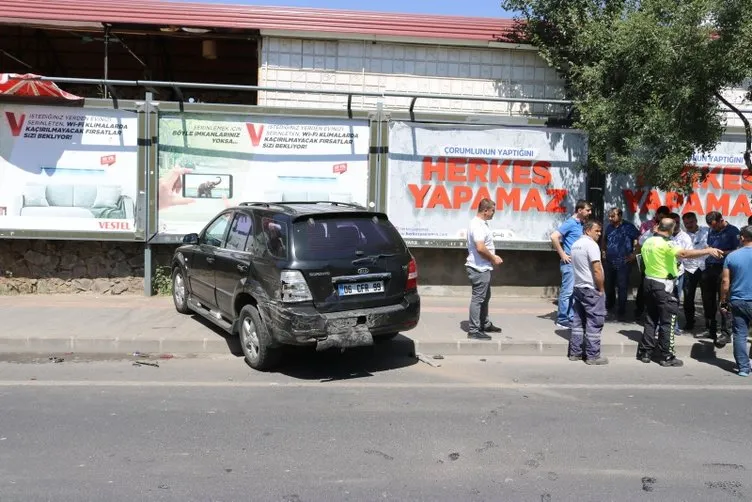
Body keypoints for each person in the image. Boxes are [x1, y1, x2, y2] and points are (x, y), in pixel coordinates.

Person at [636, 218, 723, 367]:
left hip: (649, 282)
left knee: (651, 318)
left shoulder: (648, 241)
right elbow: (684, 254)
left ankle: (645, 352)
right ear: (671, 229)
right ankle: (667, 356)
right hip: (663, 285)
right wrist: (707, 250)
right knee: (667, 321)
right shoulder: (667, 244)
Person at [568, 220, 609, 365]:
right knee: (595, 322)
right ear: (587, 230)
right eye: (596, 230)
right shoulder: (591, 245)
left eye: (600, 231)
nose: (599, 234)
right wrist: (601, 288)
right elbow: (597, 269)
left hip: (578, 287)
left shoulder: (575, 245)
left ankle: (575, 352)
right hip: (591, 288)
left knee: (578, 322)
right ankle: (592, 356)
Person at [550, 199, 593, 329]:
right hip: (569, 263)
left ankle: (571, 317)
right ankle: (562, 319)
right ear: (579, 210)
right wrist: (562, 254)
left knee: (574, 292)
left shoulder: (581, 224)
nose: (589, 212)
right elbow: (554, 236)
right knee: (567, 291)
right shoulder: (570, 223)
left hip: (578, 263)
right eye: (587, 210)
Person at [465, 198, 504, 340]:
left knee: (485, 297)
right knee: (478, 299)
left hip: (483, 267)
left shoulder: (481, 224)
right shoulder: (477, 225)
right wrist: (493, 258)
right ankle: (474, 330)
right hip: (478, 268)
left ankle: (484, 323)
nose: (494, 213)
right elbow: (480, 247)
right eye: (493, 210)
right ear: (485, 210)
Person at [701, 211, 740, 347]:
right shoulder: (711, 231)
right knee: (707, 300)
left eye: (714, 226)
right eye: (711, 226)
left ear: (721, 220)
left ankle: (726, 333)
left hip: (724, 269)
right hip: (710, 267)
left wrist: (723, 252)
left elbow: (738, 249)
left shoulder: (732, 231)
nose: (713, 229)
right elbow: (710, 245)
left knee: (724, 301)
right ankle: (710, 328)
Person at [720, 226, 752, 377]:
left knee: (740, 334)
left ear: (742, 237)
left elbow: (725, 282)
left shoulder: (732, 256)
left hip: (738, 299)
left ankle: (744, 368)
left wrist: (723, 301)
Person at [601, 207, 639, 321]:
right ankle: (609, 305)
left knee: (622, 286)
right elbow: (604, 239)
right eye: (609, 216)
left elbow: (639, 240)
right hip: (609, 261)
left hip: (623, 262)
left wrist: (633, 254)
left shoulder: (629, 227)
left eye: (613, 216)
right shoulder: (609, 227)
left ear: (620, 216)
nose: (610, 218)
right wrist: (603, 251)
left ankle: (621, 309)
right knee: (609, 285)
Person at [635, 206, 671, 318]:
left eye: (663, 218)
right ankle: (640, 309)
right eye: (659, 217)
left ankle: (656, 312)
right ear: (656, 215)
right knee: (644, 287)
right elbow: (640, 242)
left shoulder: (669, 226)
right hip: (648, 262)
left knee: (660, 289)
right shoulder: (647, 225)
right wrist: (651, 231)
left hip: (662, 264)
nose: (660, 220)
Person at [681, 212, 709, 331]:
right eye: (686, 223)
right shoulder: (683, 235)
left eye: (691, 222)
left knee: (708, 297)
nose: (689, 225)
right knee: (688, 297)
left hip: (704, 267)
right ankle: (689, 322)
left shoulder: (707, 231)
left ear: (696, 220)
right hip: (689, 268)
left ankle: (709, 324)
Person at [668, 212, 693, 335]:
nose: (676, 225)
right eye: (673, 222)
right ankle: (660, 325)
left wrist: (677, 256)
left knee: (675, 299)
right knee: (662, 300)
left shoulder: (685, 237)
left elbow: (688, 255)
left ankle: (674, 326)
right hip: (662, 273)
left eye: (678, 222)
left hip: (677, 273)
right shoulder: (663, 236)